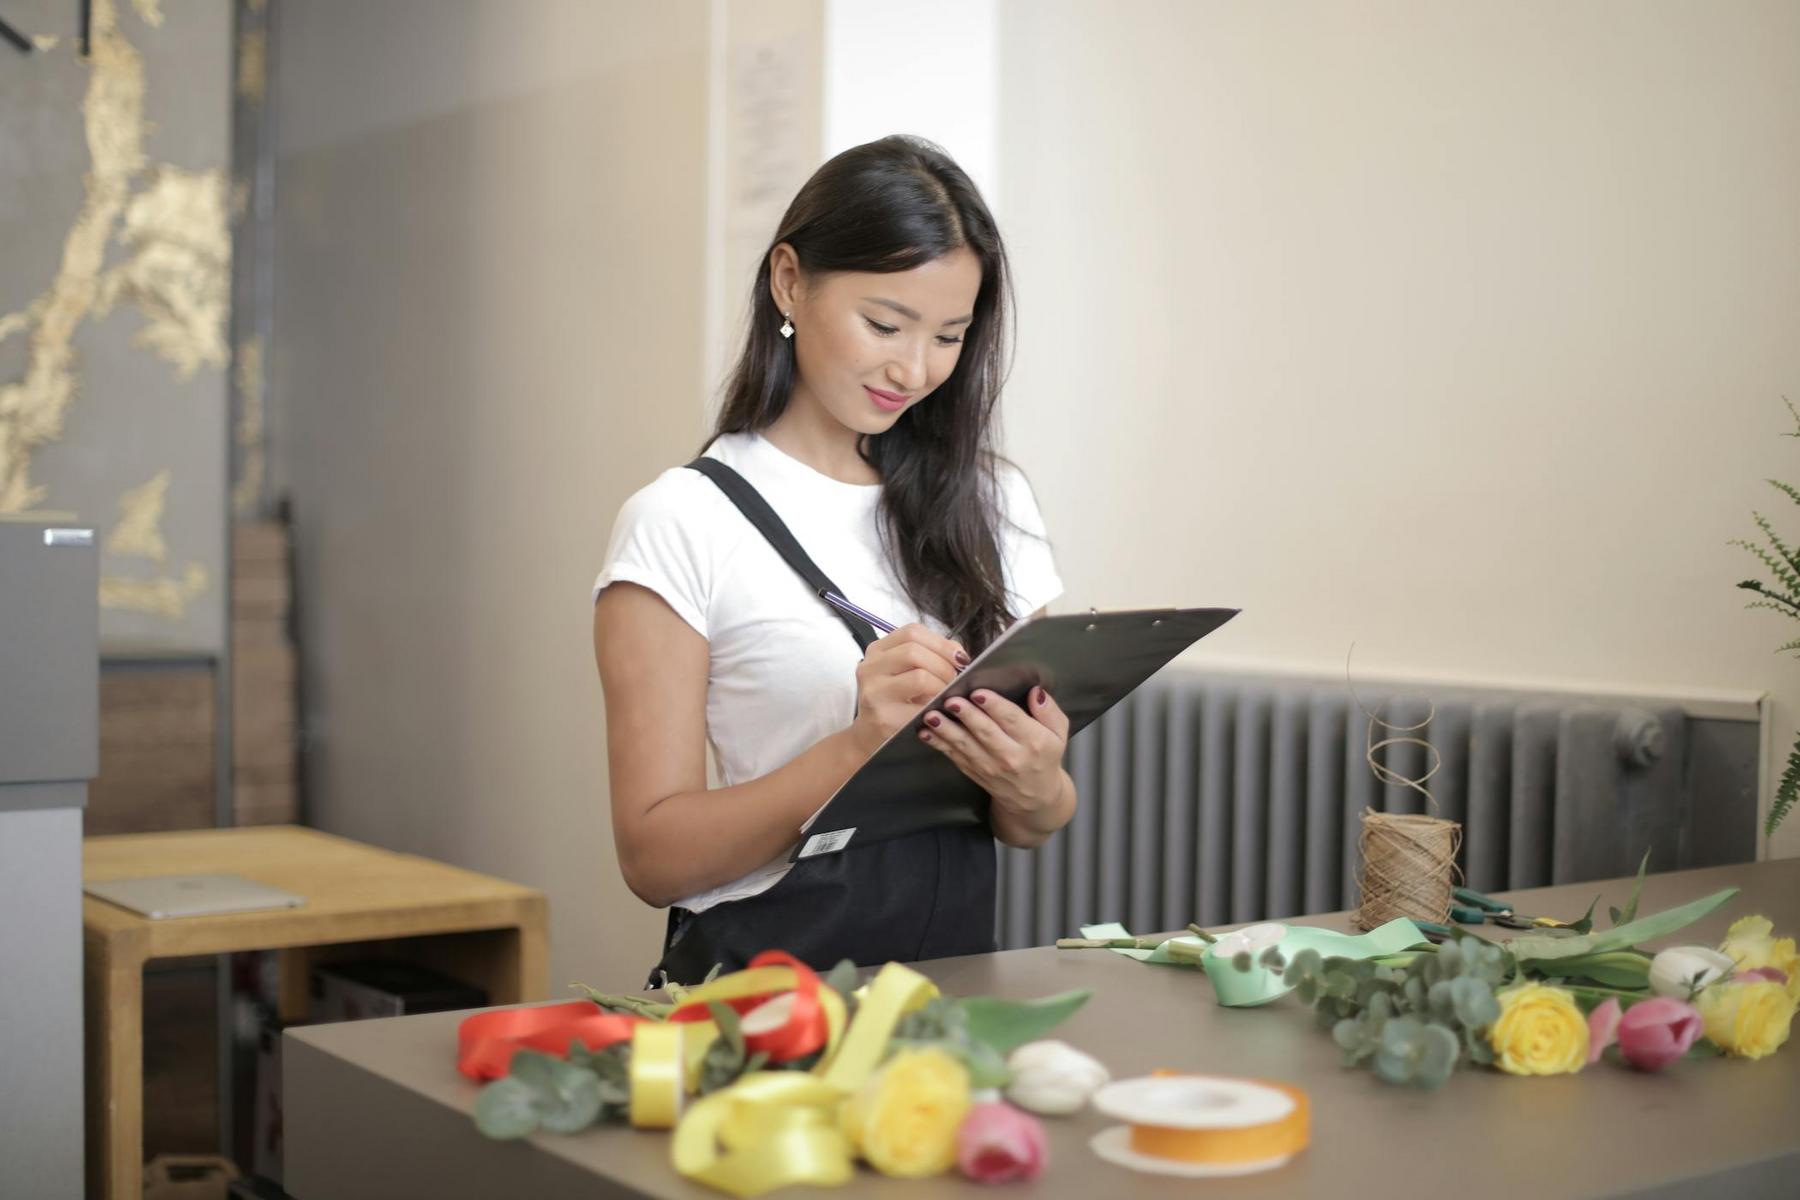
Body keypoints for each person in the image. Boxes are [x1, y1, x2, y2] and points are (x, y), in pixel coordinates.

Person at [592, 135, 1076, 985]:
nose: (913, 368)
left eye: (949, 337)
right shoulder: (680, 520)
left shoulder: (991, 502)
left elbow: (1030, 822)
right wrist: (856, 750)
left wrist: (1034, 783)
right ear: (789, 280)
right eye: (884, 325)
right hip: (760, 1008)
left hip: (947, 1002)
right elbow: (652, 857)